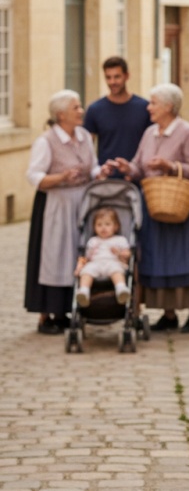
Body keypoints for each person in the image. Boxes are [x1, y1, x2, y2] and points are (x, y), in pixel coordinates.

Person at [105, 83, 189, 334]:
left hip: (183, 205)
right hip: (154, 203)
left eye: (153, 103)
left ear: (169, 106)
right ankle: (168, 314)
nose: (149, 107)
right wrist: (128, 168)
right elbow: (139, 166)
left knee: (186, 256)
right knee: (159, 258)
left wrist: (169, 165)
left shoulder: (187, 132)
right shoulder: (149, 133)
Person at [25, 90, 104, 334]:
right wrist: (61, 176)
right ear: (61, 115)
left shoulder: (82, 136)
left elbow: (92, 166)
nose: (81, 111)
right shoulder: (46, 141)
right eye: (76, 107)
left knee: (75, 255)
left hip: (82, 203)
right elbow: (34, 176)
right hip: (55, 204)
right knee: (53, 255)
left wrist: (99, 173)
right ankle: (45, 315)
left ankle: (66, 311)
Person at [83, 56, 151, 173]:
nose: (112, 82)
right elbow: (86, 149)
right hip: (106, 179)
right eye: (108, 77)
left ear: (127, 76)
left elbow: (152, 144)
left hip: (137, 178)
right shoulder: (95, 109)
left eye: (117, 77)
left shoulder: (144, 107)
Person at [74, 207, 131, 307]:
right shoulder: (93, 241)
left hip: (113, 262)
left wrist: (119, 253)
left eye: (107, 224)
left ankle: (121, 289)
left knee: (116, 270)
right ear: (94, 227)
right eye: (99, 225)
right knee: (87, 271)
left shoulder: (120, 240)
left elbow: (128, 254)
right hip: (96, 263)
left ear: (116, 226)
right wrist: (80, 265)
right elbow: (85, 258)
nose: (103, 228)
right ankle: (84, 291)